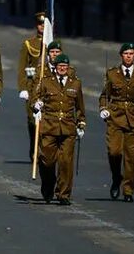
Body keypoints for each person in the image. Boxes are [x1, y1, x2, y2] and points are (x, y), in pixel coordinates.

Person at [98, 43, 134, 202]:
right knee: (114, 152)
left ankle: (128, 190)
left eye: (131, 54)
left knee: (131, 157)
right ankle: (116, 177)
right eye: (126, 54)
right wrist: (103, 109)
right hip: (115, 117)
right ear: (121, 55)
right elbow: (104, 95)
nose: (129, 56)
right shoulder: (112, 73)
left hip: (133, 119)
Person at [33, 53, 86, 204]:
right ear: (55, 67)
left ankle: (64, 194)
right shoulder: (46, 82)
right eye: (59, 66)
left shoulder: (75, 84)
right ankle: (48, 185)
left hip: (68, 128)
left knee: (66, 162)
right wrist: (36, 105)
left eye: (65, 66)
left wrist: (81, 124)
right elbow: (36, 99)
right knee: (47, 161)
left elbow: (80, 107)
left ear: (68, 68)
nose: (62, 68)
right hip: (49, 126)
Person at [17, 12, 47, 159]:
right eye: (40, 24)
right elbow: (23, 67)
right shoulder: (29, 44)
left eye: (45, 24)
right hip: (32, 86)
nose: (42, 27)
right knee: (32, 119)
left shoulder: (54, 44)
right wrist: (23, 88)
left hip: (49, 87)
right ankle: (33, 147)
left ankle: (44, 149)